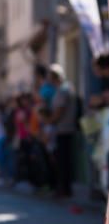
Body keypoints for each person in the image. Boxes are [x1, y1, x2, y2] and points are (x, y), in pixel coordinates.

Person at [49, 63, 77, 198]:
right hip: (64, 129)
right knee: (63, 160)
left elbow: (59, 110)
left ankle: (64, 189)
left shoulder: (63, 90)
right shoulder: (65, 88)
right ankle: (64, 188)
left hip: (64, 129)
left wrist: (50, 120)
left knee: (63, 161)